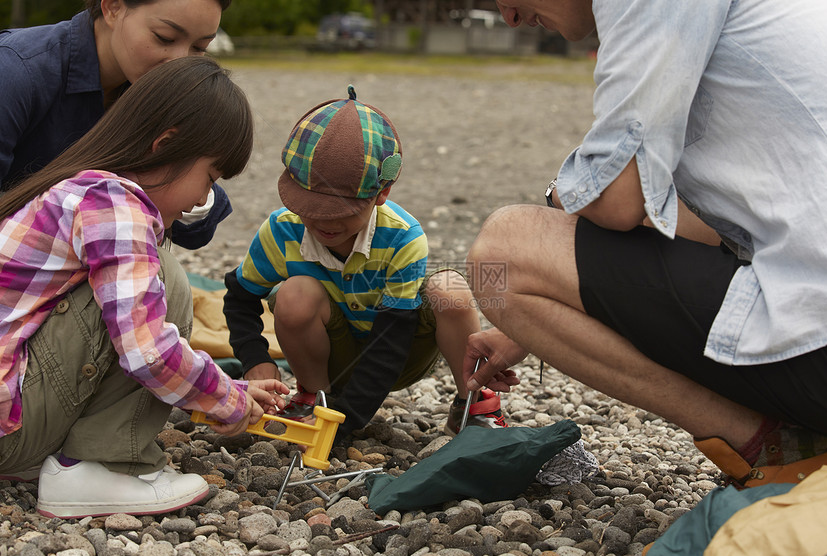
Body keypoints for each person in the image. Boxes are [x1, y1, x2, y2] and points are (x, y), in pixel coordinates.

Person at [465, 0, 827, 488]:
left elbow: (614, 200)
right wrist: (526, 327)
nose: (508, 17)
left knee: (501, 252)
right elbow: (701, 225)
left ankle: (779, 452)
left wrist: (558, 195)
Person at [0, 57, 289, 519]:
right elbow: (148, 350)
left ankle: (68, 459)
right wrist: (229, 402)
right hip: (11, 432)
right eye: (209, 178)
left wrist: (223, 385)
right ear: (166, 145)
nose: (202, 199)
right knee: (166, 280)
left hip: (11, 418)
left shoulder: (80, 186)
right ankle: (99, 466)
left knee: (145, 283)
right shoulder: (113, 203)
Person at [223, 87, 515, 437]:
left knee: (449, 288)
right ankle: (316, 400)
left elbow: (390, 342)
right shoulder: (280, 231)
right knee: (294, 293)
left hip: (400, 354)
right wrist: (256, 360)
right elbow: (240, 299)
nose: (325, 223)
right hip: (331, 359)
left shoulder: (403, 238)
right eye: (311, 210)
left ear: (382, 194)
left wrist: (347, 421)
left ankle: (471, 401)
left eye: (341, 212)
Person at [0, 0, 234, 250]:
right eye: (165, 38)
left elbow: (196, 230)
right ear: (112, 7)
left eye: (199, 47)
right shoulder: (16, 71)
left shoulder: (164, 90)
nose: (180, 62)